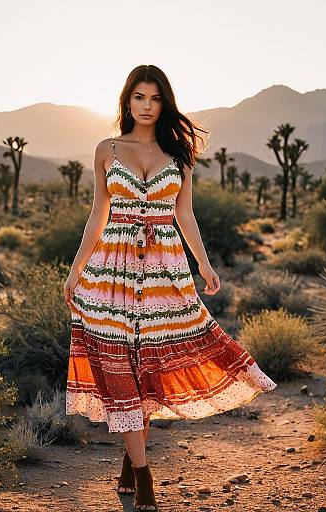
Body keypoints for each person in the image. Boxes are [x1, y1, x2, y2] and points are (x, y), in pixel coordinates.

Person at [64, 64, 277, 511]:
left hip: (165, 273)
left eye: (155, 98)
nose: (146, 106)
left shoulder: (178, 156)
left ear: (165, 103)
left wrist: (204, 263)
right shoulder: (107, 150)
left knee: (151, 367)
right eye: (139, 97)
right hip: (112, 270)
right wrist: (75, 268)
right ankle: (143, 478)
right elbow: (98, 212)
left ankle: (130, 457)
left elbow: (185, 215)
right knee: (120, 367)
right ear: (126, 101)